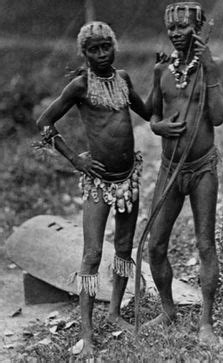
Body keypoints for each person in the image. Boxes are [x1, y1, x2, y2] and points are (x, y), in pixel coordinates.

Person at [36, 21, 151, 356]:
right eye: (93, 49)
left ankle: (114, 312)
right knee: (92, 254)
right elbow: (44, 122)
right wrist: (75, 159)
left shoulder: (124, 79)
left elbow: (146, 111)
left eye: (106, 47)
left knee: (125, 248)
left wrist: (160, 77)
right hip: (98, 183)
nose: (101, 54)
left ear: (114, 46)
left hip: (128, 178)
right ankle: (87, 334)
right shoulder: (79, 85)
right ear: (83, 53)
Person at [146, 2, 223, 345]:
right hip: (169, 169)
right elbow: (151, 115)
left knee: (205, 245)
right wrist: (159, 127)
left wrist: (207, 67)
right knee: (155, 246)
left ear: (197, 28)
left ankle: (206, 323)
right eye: (172, 29)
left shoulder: (215, 66)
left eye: (184, 28)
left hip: (202, 168)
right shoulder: (163, 71)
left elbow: (220, 115)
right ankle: (168, 310)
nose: (177, 34)